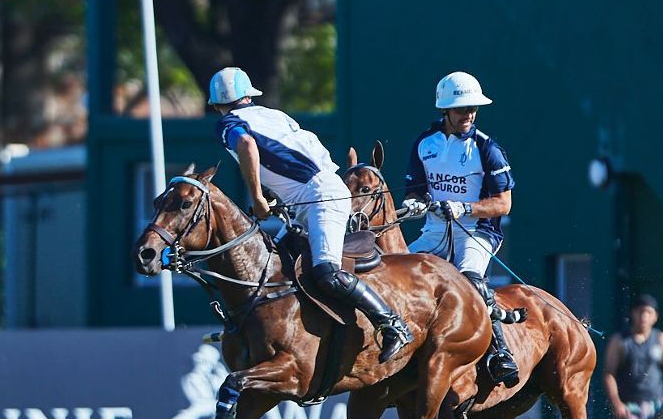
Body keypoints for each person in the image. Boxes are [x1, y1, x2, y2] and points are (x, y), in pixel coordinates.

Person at [208, 67, 411, 363]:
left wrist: (258, 197)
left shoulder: (228, 123)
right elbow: (296, 160)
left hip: (320, 198)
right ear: (249, 96)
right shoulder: (275, 116)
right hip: (313, 194)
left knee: (328, 273)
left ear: (216, 105)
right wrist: (279, 194)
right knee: (273, 269)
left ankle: (392, 324)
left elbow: (247, 145)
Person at [402, 71, 520, 385]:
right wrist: (416, 203)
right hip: (435, 232)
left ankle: (500, 351)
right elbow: (415, 190)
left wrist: (464, 208)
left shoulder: (487, 148)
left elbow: (504, 204)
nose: (468, 114)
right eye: (461, 109)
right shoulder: (424, 143)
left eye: (473, 108)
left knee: (470, 279)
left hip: (477, 232)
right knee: (396, 270)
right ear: (445, 110)